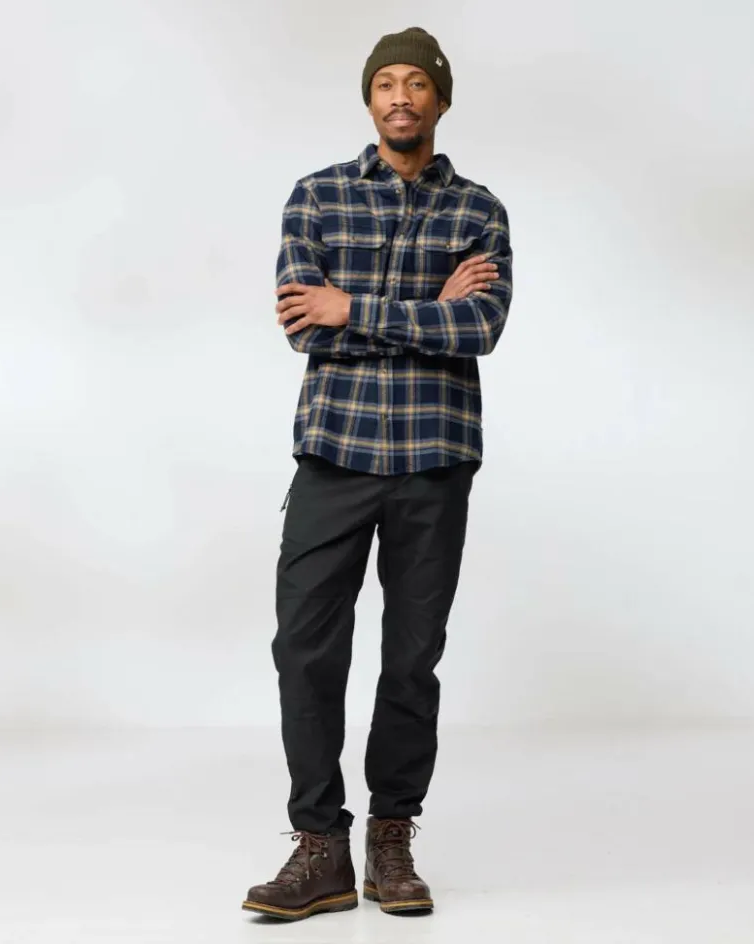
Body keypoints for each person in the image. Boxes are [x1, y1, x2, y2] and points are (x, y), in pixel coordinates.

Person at [242, 26, 513, 922]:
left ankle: (391, 836)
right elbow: (302, 327)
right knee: (304, 645)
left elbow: (480, 328)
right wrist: (421, 309)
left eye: (417, 83)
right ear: (369, 99)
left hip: (434, 459)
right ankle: (319, 845)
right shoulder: (316, 196)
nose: (402, 96)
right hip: (335, 453)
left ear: (440, 99)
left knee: (412, 655)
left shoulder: (478, 211)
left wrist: (351, 306)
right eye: (386, 82)